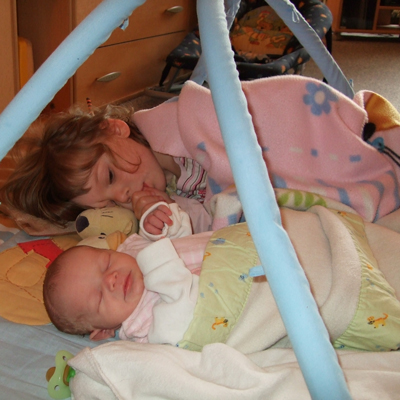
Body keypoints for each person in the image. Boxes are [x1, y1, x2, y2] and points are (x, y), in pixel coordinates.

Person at [3, 75, 400, 234]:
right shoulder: (167, 190)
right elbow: (206, 218)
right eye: (108, 201)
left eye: (109, 176)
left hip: (316, 125)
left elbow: (270, 119)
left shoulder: (189, 120)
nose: (123, 194)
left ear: (115, 128)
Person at [43, 202, 400, 354]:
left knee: (340, 237)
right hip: (267, 292)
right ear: (103, 331)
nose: (111, 279)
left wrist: (166, 223)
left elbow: (184, 238)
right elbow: (185, 323)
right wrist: (157, 261)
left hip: (267, 245)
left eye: (105, 262)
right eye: (99, 297)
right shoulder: (142, 328)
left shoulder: (135, 249)